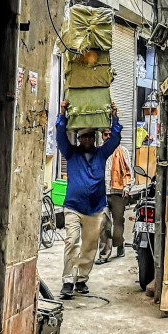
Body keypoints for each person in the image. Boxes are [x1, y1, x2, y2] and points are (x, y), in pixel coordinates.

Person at [55, 100, 122, 299]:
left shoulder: (101, 154)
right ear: (78, 138)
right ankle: (67, 281)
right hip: (73, 206)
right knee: (71, 241)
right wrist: (62, 112)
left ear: (94, 138)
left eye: (90, 136)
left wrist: (115, 117)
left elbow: (115, 139)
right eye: (84, 136)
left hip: (95, 208)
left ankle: (81, 279)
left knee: (89, 246)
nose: (87, 139)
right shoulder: (71, 153)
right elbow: (60, 137)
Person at [95, 137, 133, 263]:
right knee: (103, 224)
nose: (107, 137)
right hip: (102, 193)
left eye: (110, 134)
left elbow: (129, 172)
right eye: (105, 134)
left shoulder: (123, 152)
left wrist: (127, 187)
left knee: (117, 226)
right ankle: (104, 254)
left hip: (118, 193)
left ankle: (120, 242)